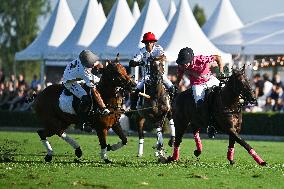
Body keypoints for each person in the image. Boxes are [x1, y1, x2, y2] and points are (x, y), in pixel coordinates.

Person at [175, 47, 224, 138]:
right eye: (182, 62)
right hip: (197, 85)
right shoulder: (181, 65)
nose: (183, 65)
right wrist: (175, 86)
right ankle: (210, 126)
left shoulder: (201, 59)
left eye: (185, 62)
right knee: (200, 104)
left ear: (191, 60)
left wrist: (221, 72)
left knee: (225, 92)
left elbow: (218, 57)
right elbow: (179, 78)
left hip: (210, 80)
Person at [63, 50, 110, 131]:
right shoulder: (83, 71)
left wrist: (104, 71)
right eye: (91, 63)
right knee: (86, 99)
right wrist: (103, 108)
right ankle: (82, 122)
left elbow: (98, 64)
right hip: (70, 82)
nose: (93, 64)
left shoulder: (86, 59)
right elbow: (94, 91)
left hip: (77, 75)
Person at [128, 32, 176, 110]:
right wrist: (137, 62)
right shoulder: (141, 51)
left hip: (159, 74)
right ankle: (133, 109)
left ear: (153, 42)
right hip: (147, 76)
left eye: (150, 42)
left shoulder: (158, 48)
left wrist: (152, 60)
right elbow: (133, 61)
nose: (148, 44)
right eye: (146, 42)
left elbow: (162, 57)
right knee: (136, 90)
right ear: (144, 43)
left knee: (172, 88)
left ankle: (174, 107)